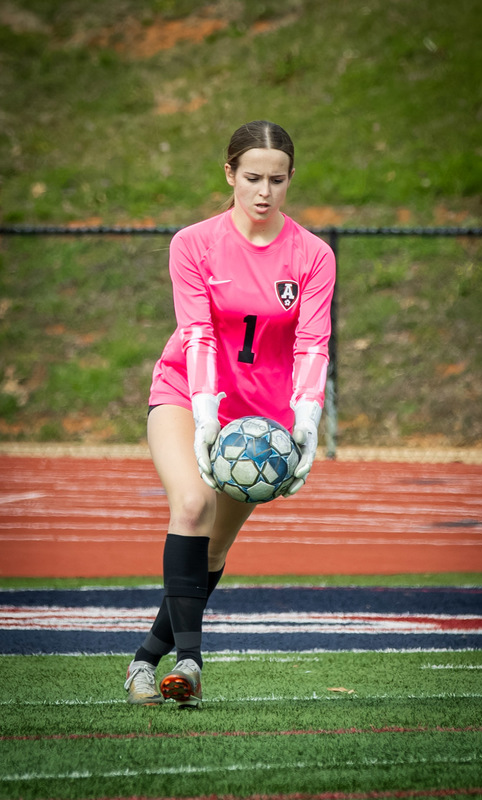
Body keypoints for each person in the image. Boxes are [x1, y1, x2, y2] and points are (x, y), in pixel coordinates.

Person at [124, 120, 336, 708]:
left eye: (276, 179)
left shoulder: (314, 255)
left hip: (261, 421)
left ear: (291, 178)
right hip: (186, 393)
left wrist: (307, 422)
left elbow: (312, 344)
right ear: (229, 175)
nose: (263, 192)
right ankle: (189, 664)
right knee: (190, 504)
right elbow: (198, 334)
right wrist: (207, 412)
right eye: (251, 178)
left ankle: (145, 660)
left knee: (213, 551)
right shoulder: (193, 243)